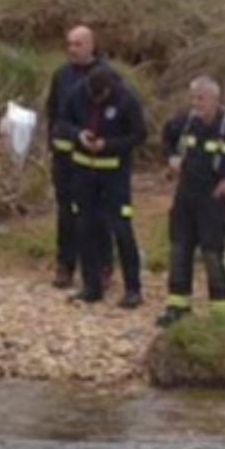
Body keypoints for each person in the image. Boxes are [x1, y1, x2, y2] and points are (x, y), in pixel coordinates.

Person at [158, 76, 225, 328]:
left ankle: (221, 309)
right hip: (185, 195)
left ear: (215, 100)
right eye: (193, 98)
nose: (196, 104)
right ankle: (177, 306)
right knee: (179, 249)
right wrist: (172, 158)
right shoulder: (185, 123)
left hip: (213, 199)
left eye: (201, 98)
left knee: (213, 253)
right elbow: (166, 138)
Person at [44, 25, 134, 291]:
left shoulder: (109, 76)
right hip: (66, 156)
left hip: (99, 160)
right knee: (67, 212)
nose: (72, 49)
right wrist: (62, 139)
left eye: (78, 44)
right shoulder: (61, 75)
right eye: (69, 44)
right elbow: (55, 114)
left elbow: (126, 121)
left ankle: (103, 266)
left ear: (92, 45)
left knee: (100, 215)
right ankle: (65, 264)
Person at [54, 64, 148, 307]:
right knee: (85, 228)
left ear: (110, 88)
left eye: (101, 96)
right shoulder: (78, 93)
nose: (96, 100)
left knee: (121, 229)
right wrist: (78, 135)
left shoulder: (126, 99)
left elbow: (139, 135)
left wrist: (108, 144)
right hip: (83, 172)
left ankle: (133, 288)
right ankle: (91, 286)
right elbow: (62, 121)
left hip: (114, 174)